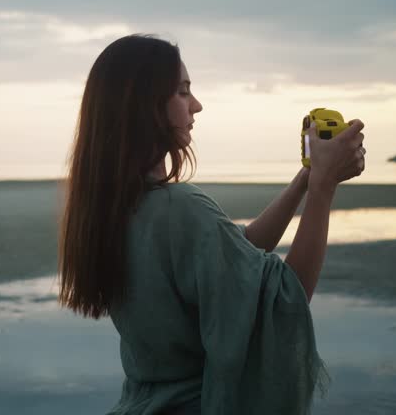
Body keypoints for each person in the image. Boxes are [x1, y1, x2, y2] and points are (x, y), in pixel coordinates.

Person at [58, 34, 366, 414]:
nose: (197, 106)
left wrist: (304, 180)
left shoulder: (116, 209)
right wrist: (323, 188)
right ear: (146, 106)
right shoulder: (180, 209)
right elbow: (288, 297)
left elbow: (241, 251)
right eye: (183, 92)